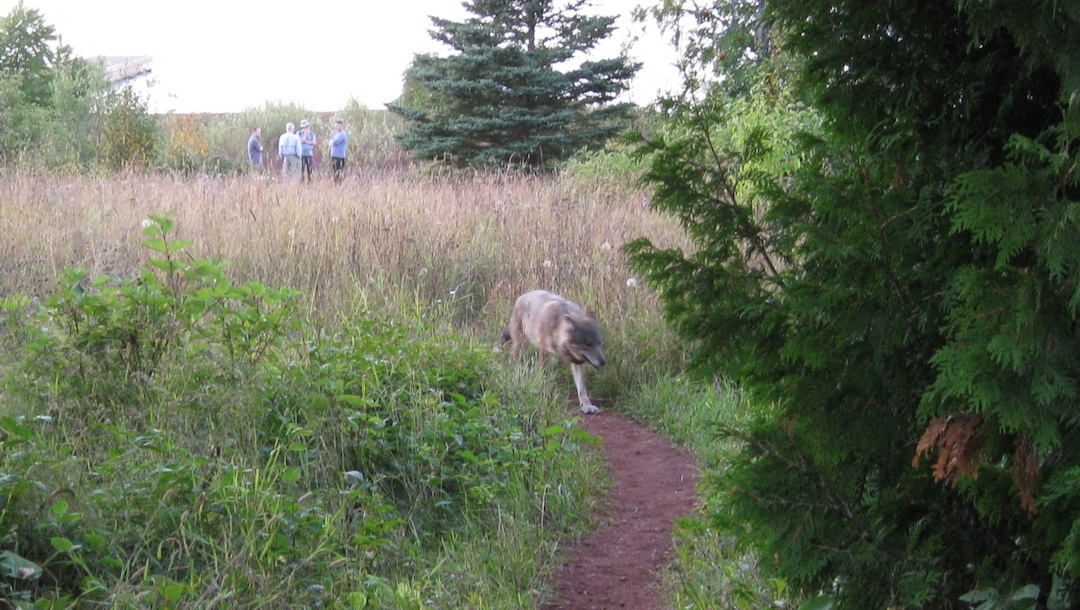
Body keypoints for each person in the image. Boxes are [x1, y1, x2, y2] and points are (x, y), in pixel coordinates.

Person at [329, 119, 347, 184]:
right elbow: (330, 140)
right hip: (334, 155)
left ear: (341, 126)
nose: (336, 127)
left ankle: (340, 184)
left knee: (339, 171)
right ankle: (335, 184)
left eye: (337, 126)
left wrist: (332, 142)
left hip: (340, 156)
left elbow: (335, 142)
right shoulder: (335, 133)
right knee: (335, 171)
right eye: (335, 126)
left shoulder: (343, 134)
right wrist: (331, 142)